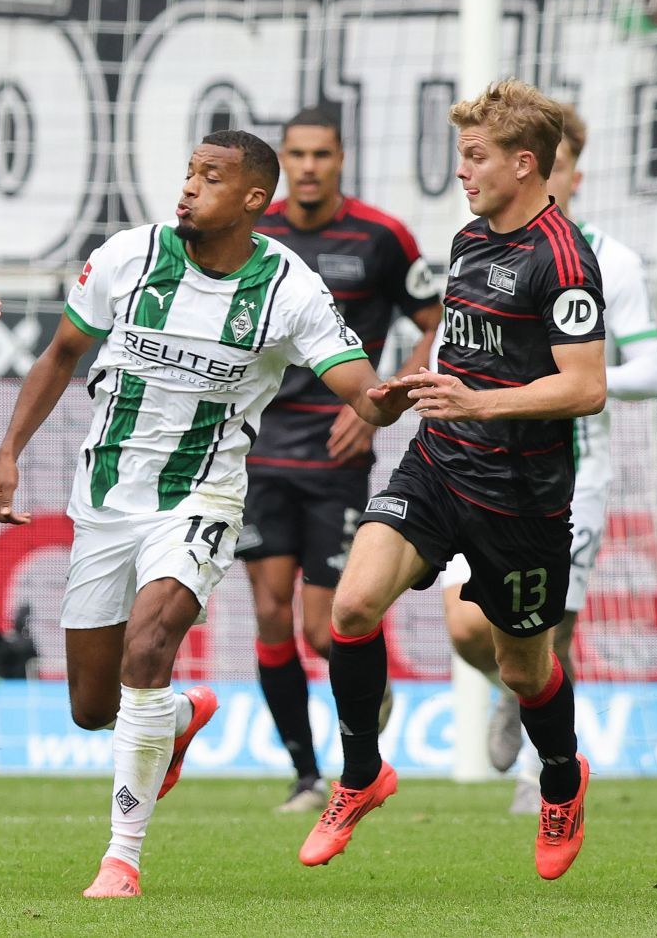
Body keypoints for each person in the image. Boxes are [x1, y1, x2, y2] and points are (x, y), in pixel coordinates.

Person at [0, 129, 410, 899]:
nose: (188, 188)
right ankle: (181, 716)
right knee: (93, 707)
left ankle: (121, 859)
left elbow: (359, 386)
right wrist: (11, 450)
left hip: (202, 497)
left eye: (209, 178)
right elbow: (58, 355)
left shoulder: (288, 287)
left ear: (253, 199)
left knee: (149, 645)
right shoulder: (129, 256)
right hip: (108, 500)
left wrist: (393, 398)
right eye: (188, 172)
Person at [299, 79, 606, 880]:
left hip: (523, 498)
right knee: (353, 604)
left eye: (476, 156)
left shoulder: (564, 261)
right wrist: (413, 384)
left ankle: (563, 782)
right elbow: (458, 352)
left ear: (525, 163)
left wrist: (482, 400)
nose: (463, 171)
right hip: (438, 460)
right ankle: (361, 775)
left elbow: (586, 386)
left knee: (522, 669)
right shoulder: (470, 238)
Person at [441, 100, 657, 813]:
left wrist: (568, 384)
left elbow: (651, 372)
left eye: (565, 166)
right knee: (467, 625)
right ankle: (518, 692)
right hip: (475, 459)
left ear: (564, 171)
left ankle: (540, 777)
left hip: (569, 471)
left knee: (546, 628)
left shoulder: (606, 260)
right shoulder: (477, 243)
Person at [238, 108, 440, 813]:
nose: (309, 166)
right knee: (269, 616)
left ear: (341, 158)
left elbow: (438, 322)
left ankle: (367, 695)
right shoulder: (253, 234)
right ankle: (304, 773)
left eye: (321, 153)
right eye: (296, 154)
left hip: (337, 455)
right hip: (255, 452)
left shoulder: (381, 238)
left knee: (324, 628)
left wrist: (384, 399)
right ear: (282, 162)